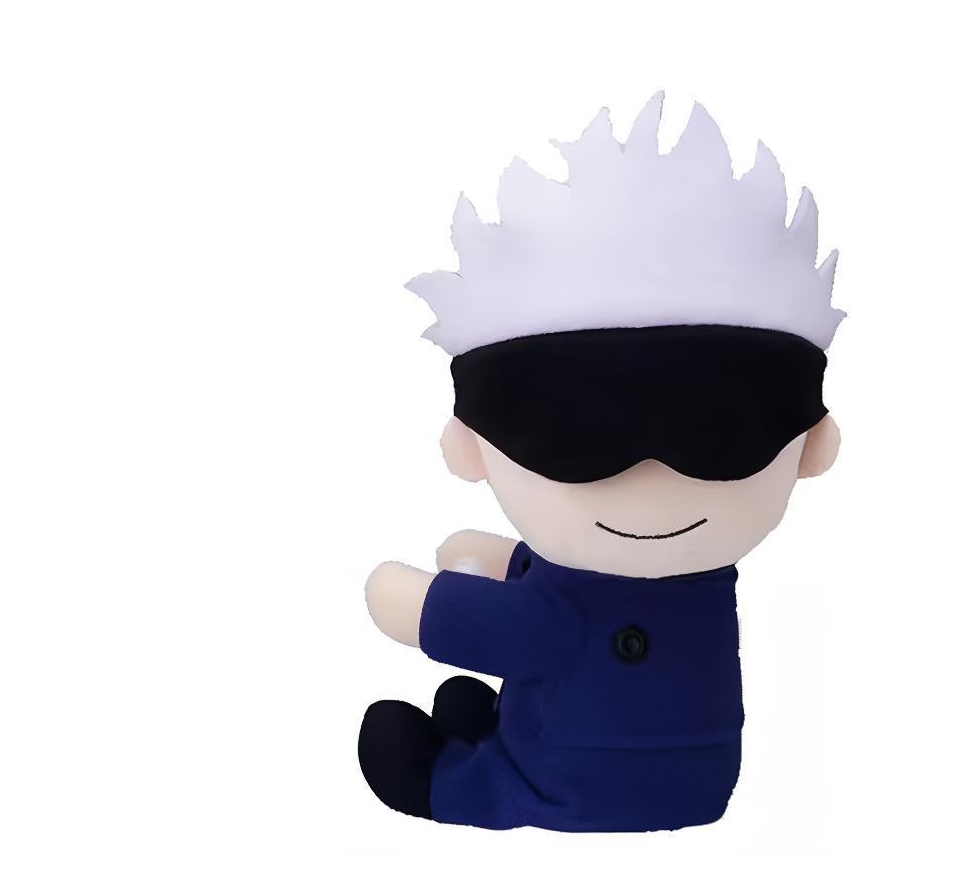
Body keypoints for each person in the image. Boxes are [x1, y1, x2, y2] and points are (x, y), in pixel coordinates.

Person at [360, 94, 844, 831]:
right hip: (707, 782)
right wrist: (511, 561)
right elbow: (565, 577)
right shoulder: (704, 585)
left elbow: (520, 628)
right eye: (579, 443)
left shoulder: (566, 611)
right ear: (814, 447)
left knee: (436, 752)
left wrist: (414, 601)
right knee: (487, 703)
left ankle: (447, 786)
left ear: (468, 447)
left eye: (716, 437)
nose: (649, 475)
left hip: (563, 783)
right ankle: (491, 724)